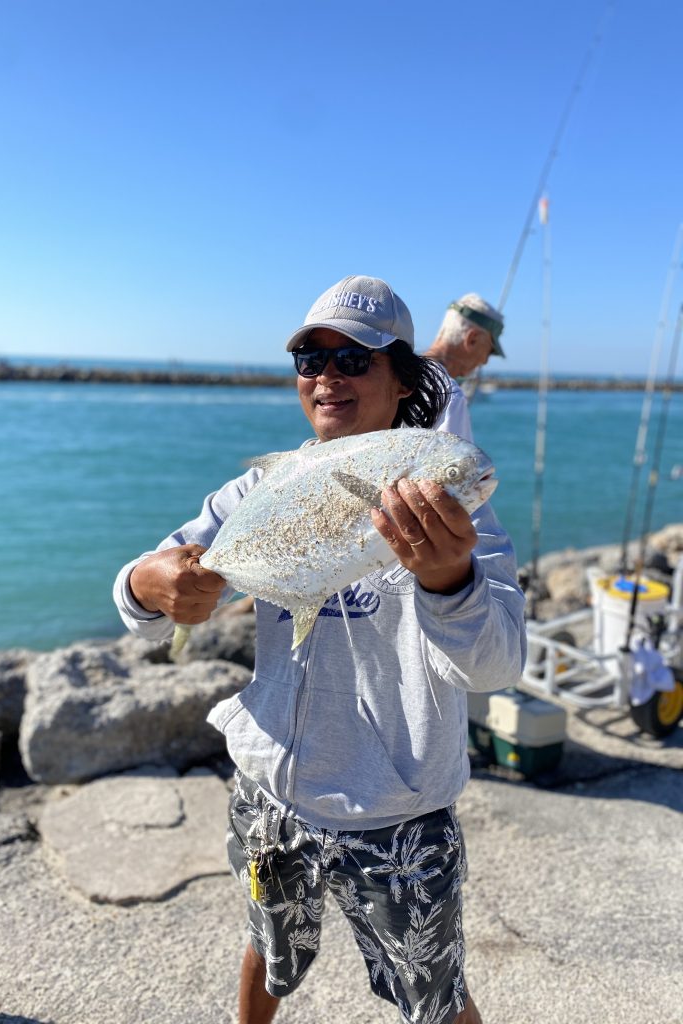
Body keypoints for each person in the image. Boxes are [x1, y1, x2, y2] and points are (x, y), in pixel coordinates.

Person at [114, 275, 526, 1024]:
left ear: (403, 379)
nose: (327, 376)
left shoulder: (455, 512)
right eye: (311, 359)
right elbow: (139, 596)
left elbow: (497, 666)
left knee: (433, 997)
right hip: (268, 794)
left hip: (397, 816)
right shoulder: (256, 492)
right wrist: (151, 585)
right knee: (267, 951)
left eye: (355, 360)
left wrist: (447, 581)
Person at [428, 294, 505, 442]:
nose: (485, 361)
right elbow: (460, 464)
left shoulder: (396, 375)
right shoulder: (449, 395)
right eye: (489, 351)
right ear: (472, 339)